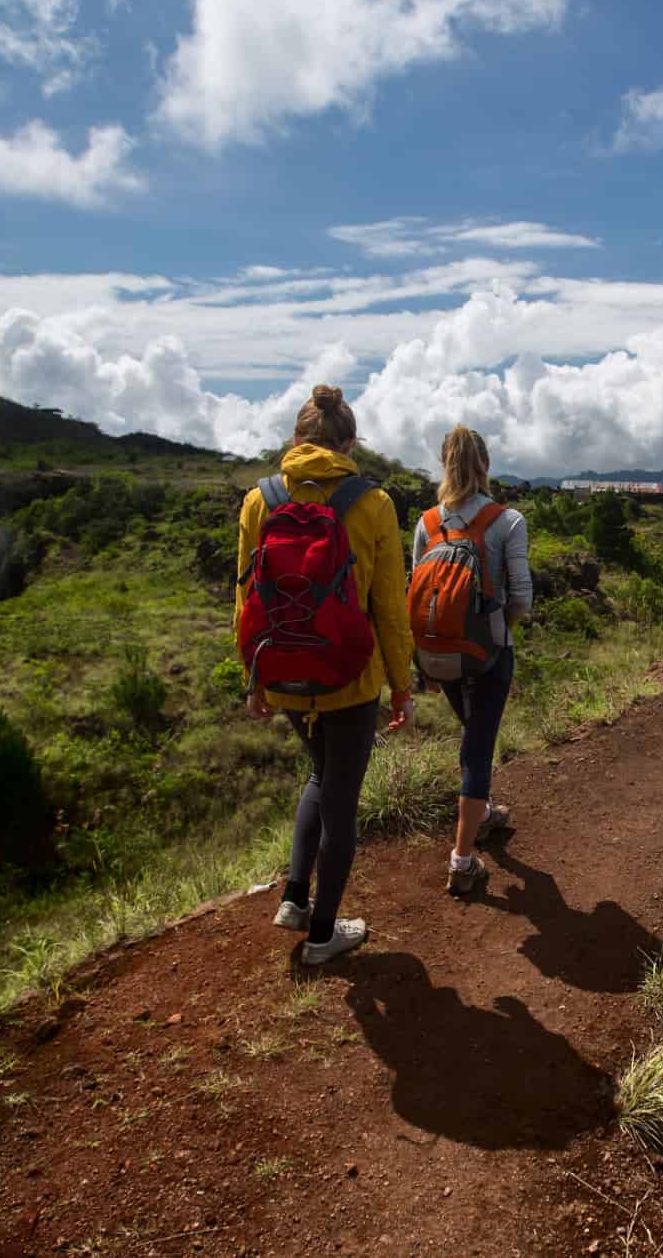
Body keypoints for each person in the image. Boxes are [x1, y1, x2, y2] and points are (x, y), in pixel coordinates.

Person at [236, 385, 413, 965]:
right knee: (342, 802)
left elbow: (243, 603)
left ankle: (293, 897)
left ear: (296, 438)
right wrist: (402, 685)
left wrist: (254, 679)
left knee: (319, 772)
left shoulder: (257, 500)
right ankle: (322, 936)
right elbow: (390, 605)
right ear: (349, 443)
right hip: (350, 679)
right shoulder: (373, 503)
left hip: (285, 674)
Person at [410, 427, 533, 899]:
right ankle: (462, 859)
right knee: (478, 748)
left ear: (444, 464)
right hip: (488, 655)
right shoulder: (508, 521)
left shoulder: (426, 524)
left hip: (437, 655)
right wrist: (499, 631)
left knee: (472, 736)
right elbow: (521, 599)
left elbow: (414, 590)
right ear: (485, 464)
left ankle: (481, 813)